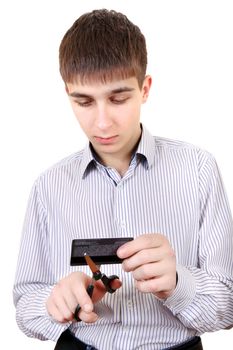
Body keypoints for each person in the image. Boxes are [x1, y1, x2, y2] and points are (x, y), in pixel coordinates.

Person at [13, 8, 233, 350]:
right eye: (84, 101)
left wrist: (177, 283)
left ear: (145, 89)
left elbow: (228, 305)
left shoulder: (199, 170)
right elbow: (25, 304)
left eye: (118, 98)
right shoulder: (48, 187)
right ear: (67, 93)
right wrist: (53, 302)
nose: (102, 123)